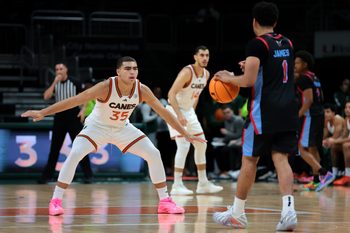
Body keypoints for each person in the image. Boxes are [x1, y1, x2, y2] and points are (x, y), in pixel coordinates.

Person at [21, 56, 206, 216]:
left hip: (122, 128)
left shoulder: (142, 89)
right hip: (97, 127)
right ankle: (56, 201)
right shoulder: (105, 86)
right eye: (127, 68)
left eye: (135, 68)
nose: (132, 72)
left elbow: (164, 113)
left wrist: (185, 133)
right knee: (75, 154)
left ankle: (165, 202)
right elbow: (75, 100)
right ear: (118, 72)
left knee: (154, 153)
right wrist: (43, 112)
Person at [212, 2, 298, 231]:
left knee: (249, 159)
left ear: (254, 22)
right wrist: (253, 66)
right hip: (288, 109)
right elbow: (276, 70)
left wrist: (228, 77)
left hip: (264, 113)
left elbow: (248, 82)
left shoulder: (256, 44)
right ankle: (289, 211)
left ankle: (238, 214)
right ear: (276, 22)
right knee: (281, 159)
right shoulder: (287, 43)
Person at [166, 45, 223, 195]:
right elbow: (171, 94)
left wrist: (191, 113)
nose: (205, 58)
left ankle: (203, 183)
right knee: (183, 146)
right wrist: (179, 114)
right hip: (174, 110)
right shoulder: (187, 72)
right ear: (195, 57)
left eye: (207, 55)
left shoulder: (206, 74)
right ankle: (177, 185)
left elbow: (195, 95)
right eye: (202, 55)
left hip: (189, 111)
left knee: (201, 145)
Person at [38, 63, 93, 184]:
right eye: (57, 69)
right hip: (59, 117)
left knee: (80, 146)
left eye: (61, 69)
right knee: (54, 148)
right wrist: (53, 83)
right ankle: (47, 176)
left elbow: (86, 95)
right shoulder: (55, 84)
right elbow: (46, 97)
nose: (58, 71)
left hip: (73, 116)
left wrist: (83, 109)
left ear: (66, 70)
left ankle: (88, 175)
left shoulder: (75, 82)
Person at [294, 50, 334, 192]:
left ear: (305, 64)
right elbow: (320, 96)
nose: (295, 65)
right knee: (312, 148)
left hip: (310, 116)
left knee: (301, 148)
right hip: (319, 113)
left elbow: (309, 99)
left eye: (297, 63)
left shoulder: (303, 78)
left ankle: (324, 173)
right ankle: (317, 181)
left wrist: (299, 114)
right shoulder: (314, 76)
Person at [324, 101, 350, 186]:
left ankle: (347, 175)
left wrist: (333, 140)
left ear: (333, 112)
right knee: (334, 146)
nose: (347, 109)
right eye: (346, 107)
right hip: (346, 142)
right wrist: (328, 141)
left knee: (345, 145)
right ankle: (334, 174)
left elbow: (340, 138)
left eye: (349, 108)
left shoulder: (338, 119)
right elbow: (344, 136)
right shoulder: (347, 119)